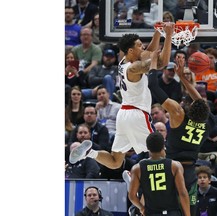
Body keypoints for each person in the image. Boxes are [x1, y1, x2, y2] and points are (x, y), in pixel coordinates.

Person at [69, 22, 174, 169]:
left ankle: (88, 152)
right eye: (139, 45)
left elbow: (149, 51)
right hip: (137, 115)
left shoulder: (123, 62)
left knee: (115, 161)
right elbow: (163, 62)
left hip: (123, 115)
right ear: (131, 50)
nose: (142, 46)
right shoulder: (134, 67)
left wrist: (157, 32)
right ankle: (149, 187)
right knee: (160, 151)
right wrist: (168, 35)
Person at [148, 49, 210, 215]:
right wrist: (183, 77)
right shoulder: (208, 123)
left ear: (189, 107)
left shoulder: (178, 114)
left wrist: (154, 61)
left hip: (170, 167)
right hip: (190, 171)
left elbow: (153, 85)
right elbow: (201, 103)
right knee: (190, 209)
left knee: (161, 208)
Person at [129, 132, 190, 216]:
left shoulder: (137, 168)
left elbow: (132, 196)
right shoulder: (175, 165)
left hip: (152, 213)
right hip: (171, 212)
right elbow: (182, 193)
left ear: (147, 147)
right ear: (163, 145)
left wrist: (142, 208)